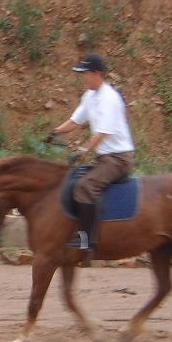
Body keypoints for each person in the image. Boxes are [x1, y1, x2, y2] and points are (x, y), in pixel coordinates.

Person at [48, 54, 135, 250]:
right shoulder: (90, 96)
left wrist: (83, 151)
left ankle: (88, 239)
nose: (83, 78)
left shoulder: (109, 98)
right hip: (105, 158)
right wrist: (55, 131)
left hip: (119, 159)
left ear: (97, 74)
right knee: (71, 179)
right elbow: (75, 121)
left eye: (85, 73)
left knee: (85, 187)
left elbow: (102, 133)